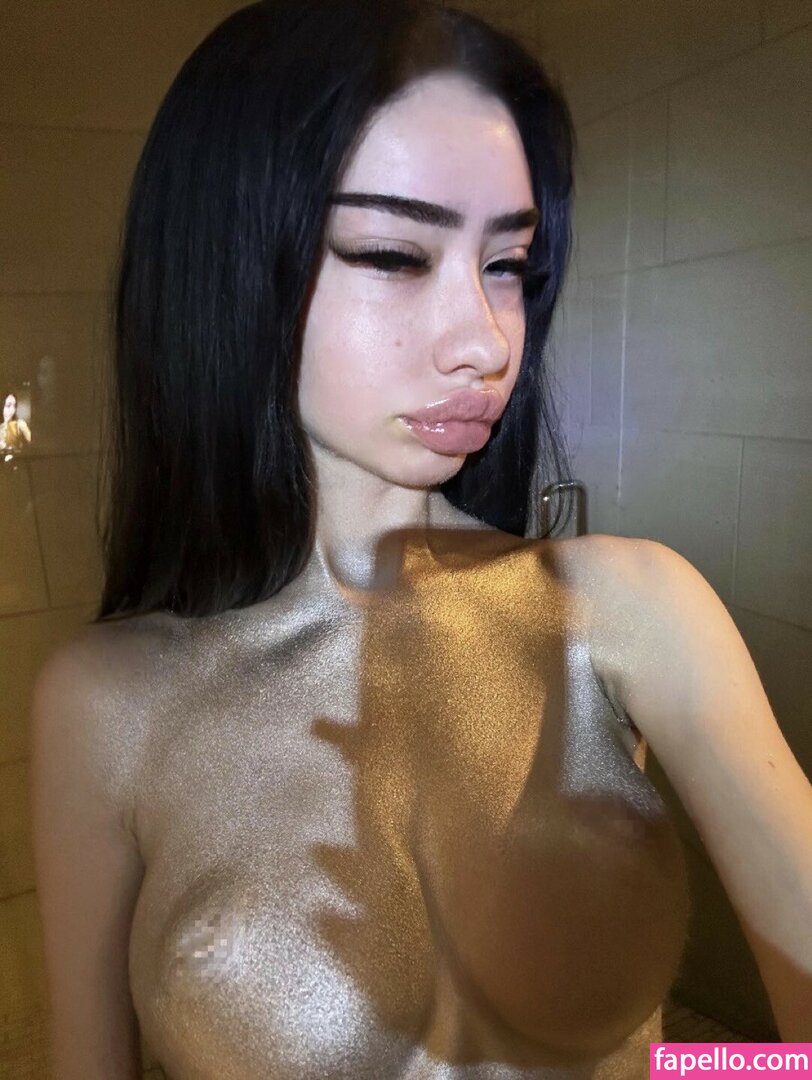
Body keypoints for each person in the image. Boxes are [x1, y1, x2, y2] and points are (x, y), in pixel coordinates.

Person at [29, 1, 812, 1077]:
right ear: (231, 259)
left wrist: (696, 1072)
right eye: (395, 254)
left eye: (508, 265)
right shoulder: (104, 702)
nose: (485, 341)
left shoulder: (628, 611)